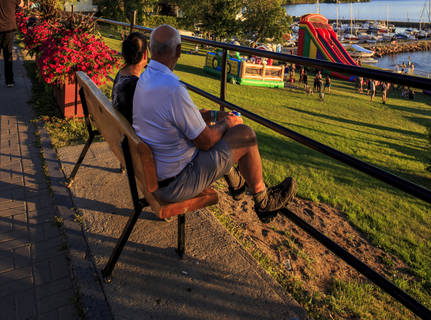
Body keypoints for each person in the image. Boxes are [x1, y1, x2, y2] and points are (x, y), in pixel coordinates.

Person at [133, 25, 296, 223]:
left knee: (223, 134)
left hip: (155, 171)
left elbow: (176, 120)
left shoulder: (146, 78)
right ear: (178, 51)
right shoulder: (173, 89)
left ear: (150, 50)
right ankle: (264, 202)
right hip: (175, 184)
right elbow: (206, 142)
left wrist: (211, 115)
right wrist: (228, 121)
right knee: (245, 134)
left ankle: (237, 186)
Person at [111, 32, 148, 122]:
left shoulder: (121, 74)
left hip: (118, 128)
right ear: (145, 55)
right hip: (129, 134)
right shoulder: (135, 86)